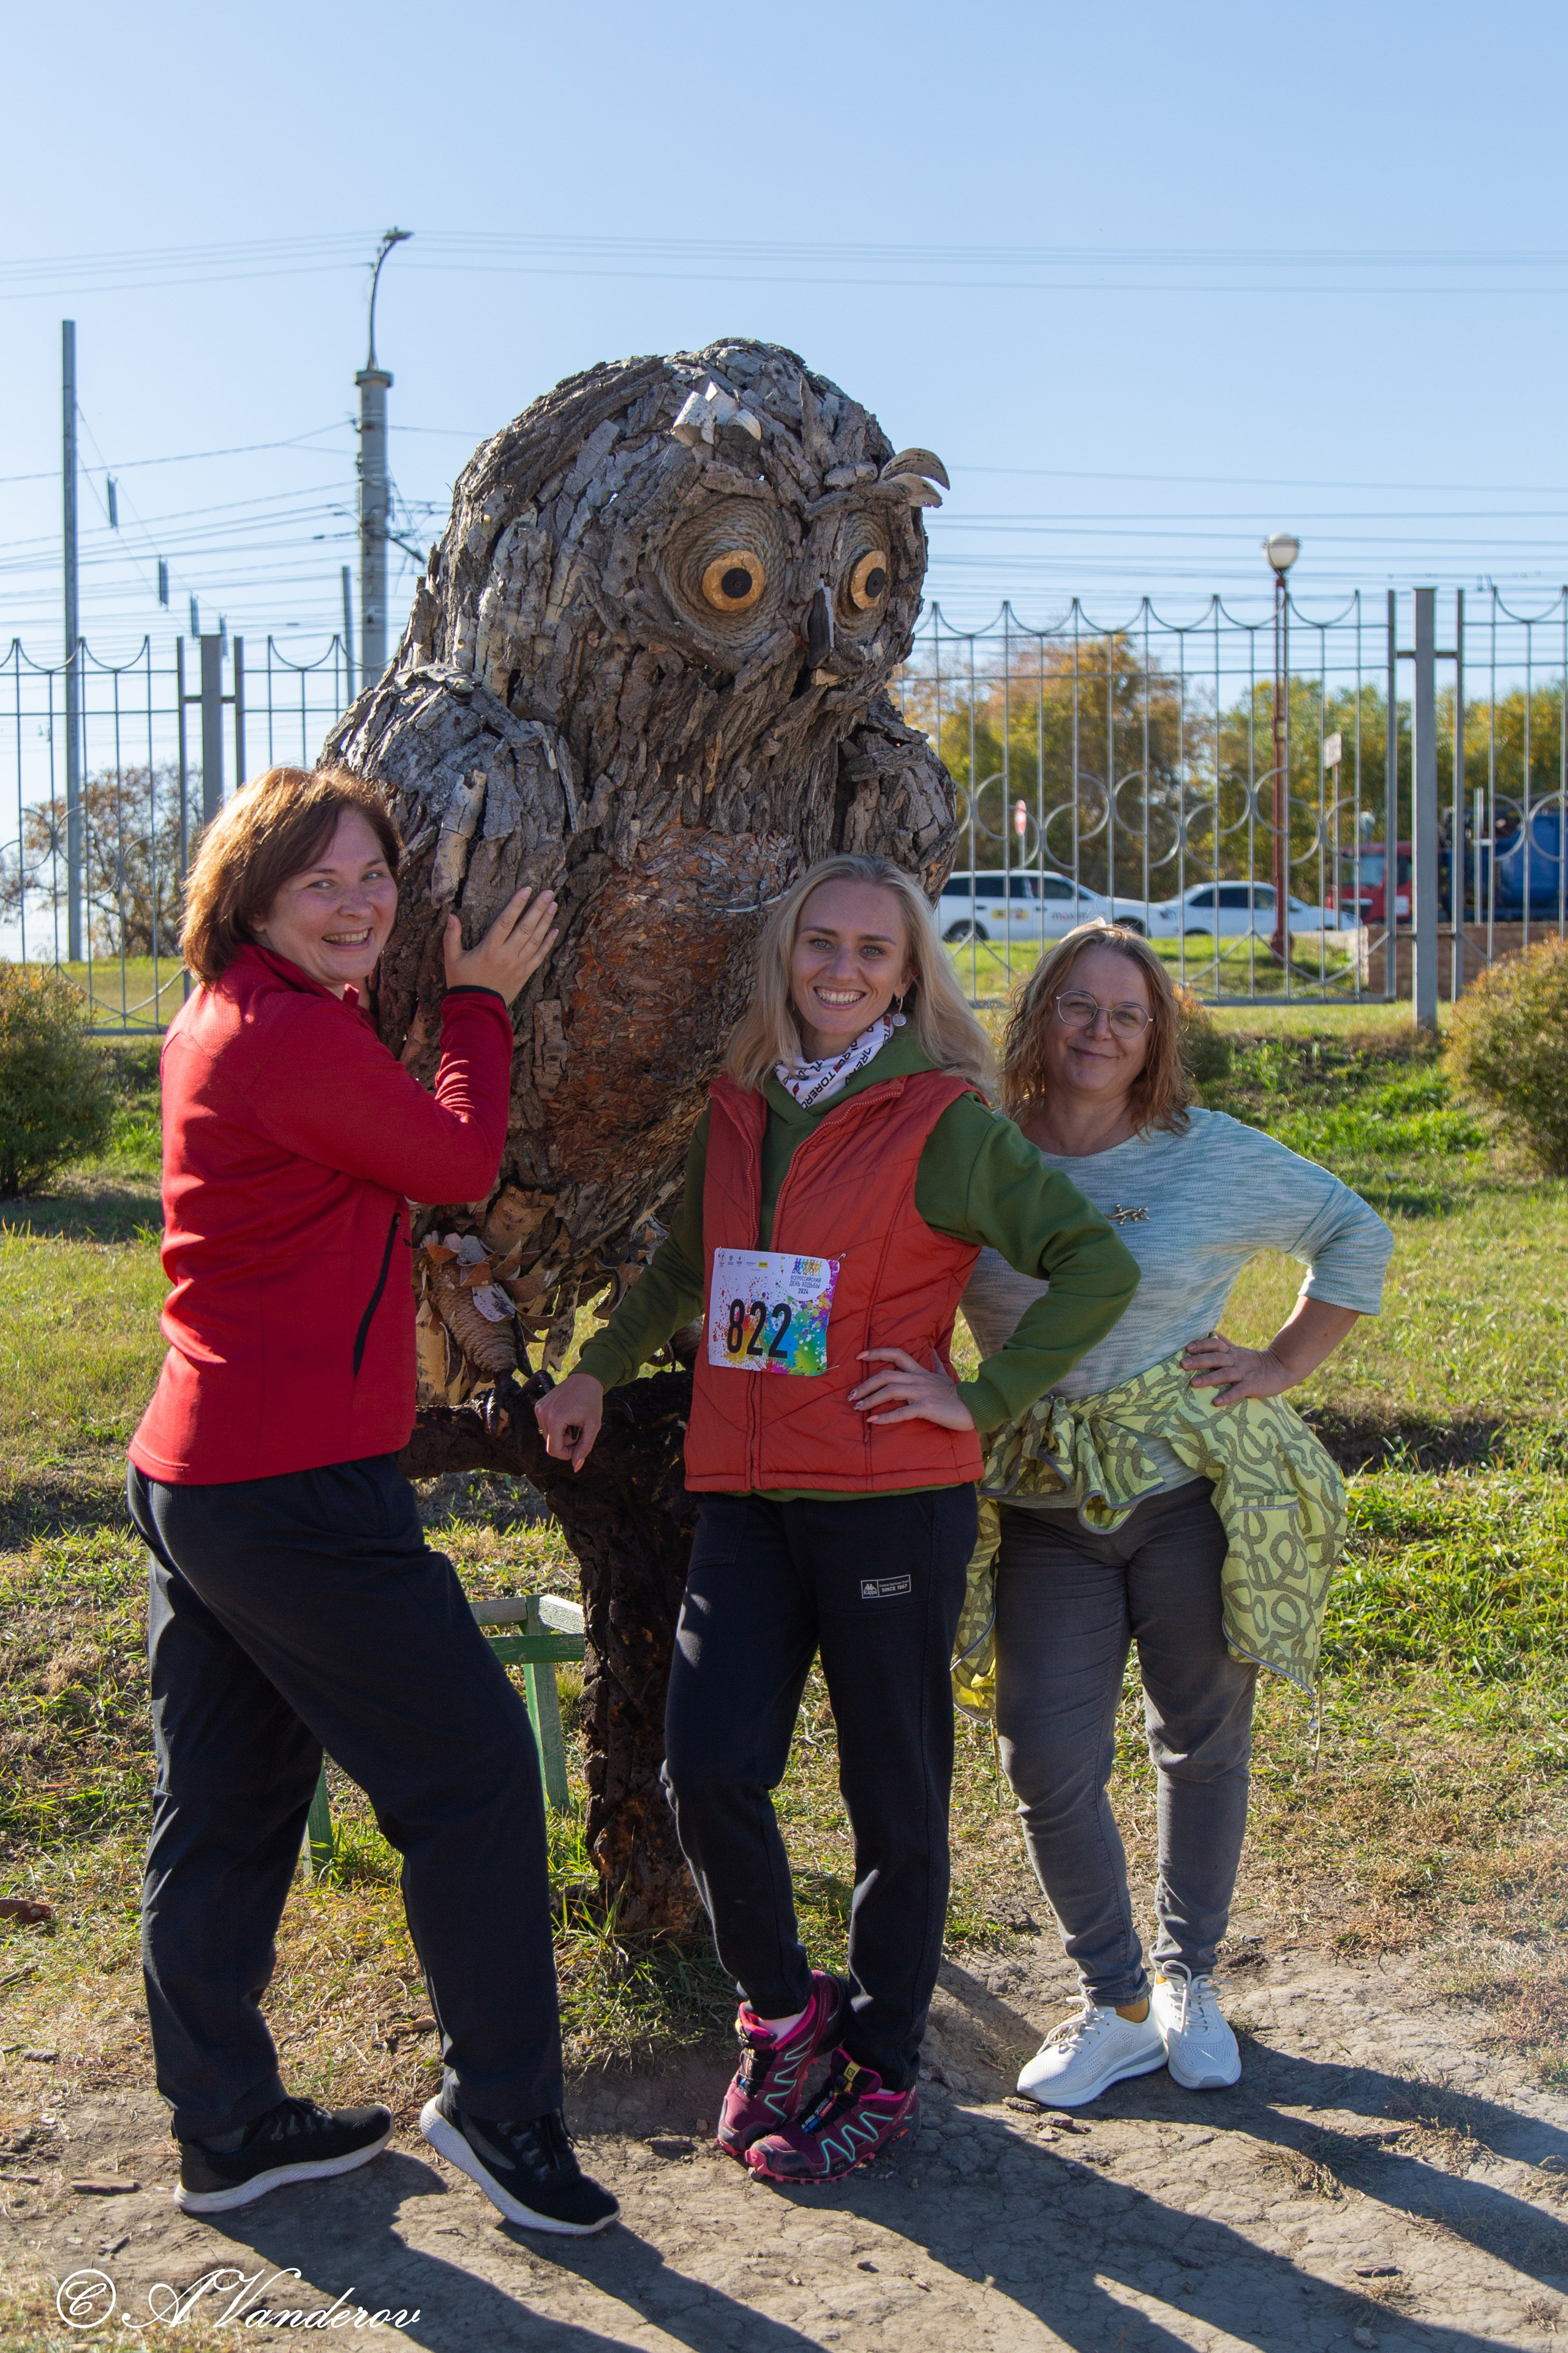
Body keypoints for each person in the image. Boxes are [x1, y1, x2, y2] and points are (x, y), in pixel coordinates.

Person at [536, 853, 1140, 2184]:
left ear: (907, 975)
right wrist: (592, 1366)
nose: (843, 968)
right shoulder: (741, 1107)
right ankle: (787, 2018)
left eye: (874, 951)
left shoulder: (941, 1121)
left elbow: (1094, 1262)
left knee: (893, 1798)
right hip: (746, 1498)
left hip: (889, 1507)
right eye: (822, 943)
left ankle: (880, 2059)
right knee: (706, 1768)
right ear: (784, 957)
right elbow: (681, 1271)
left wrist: (981, 1398)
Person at [127, 764, 619, 2235]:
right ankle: (499, 2110)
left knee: (223, 1805)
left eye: (373, 879)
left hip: (202, 1471)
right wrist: (478, 1002)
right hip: (288, 1492)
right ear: (254, 896)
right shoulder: (281, 1036)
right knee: (469, 1774)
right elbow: (460, 1156)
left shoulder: (239, 1015)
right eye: (320, 882)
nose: (356, 904)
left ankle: (227, 2128)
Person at [960, 920, 1393, 2107]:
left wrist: (1279, 1361)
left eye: (1127, 1013)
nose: (1100, 1031)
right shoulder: (980, 1151)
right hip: (1043, 1501)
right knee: (1044, 1753)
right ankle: (1113, 2001)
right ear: (1040, 1013)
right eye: (1078, 1006)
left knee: (1198, 1738)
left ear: (1154, 1038)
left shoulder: (1202, 1153)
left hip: (1186, 1494)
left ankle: (1187, 1975)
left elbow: (1353, 1232)